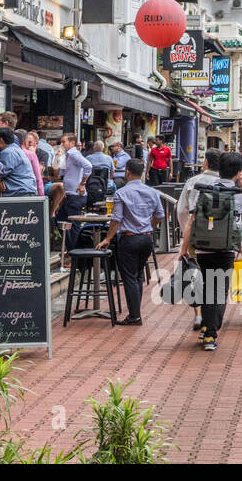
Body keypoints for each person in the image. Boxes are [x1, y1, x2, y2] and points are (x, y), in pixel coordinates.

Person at [178, 151, 242, 351]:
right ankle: (211, 333)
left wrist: (184, 247)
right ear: (239, 172)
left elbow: (191, 222)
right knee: (220, 292)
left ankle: (207, 326)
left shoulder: (204, 190)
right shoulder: (239, 195)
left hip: (203, 248)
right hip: (226, 249)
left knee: (206, 289)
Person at [98, 158, 163, 326]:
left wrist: (108, 238)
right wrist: (150, 227)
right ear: (142, 173)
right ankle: (136, 312)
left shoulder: (121, 193)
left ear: (127, 171)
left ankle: (135, 315)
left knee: (129, 277)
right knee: (139, 274)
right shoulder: (152, 192)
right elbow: (160, 215)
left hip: (129, 238)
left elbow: (116, 219)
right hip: (146, 238)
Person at [178, 148, 221, 332]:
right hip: (220, 240)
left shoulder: (192, 182)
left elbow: (181, 211)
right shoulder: (225, 183)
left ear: (205, 163)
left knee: (196, 275)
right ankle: (212, 317)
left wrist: (186, 234)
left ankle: (198, 315)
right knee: (216, 278)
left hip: (196, 236)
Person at [52, 133, 93, 248]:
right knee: (60, 219)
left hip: (76, 195)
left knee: (73, 224)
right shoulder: (67, 155)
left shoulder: (73, 154)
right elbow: (57, 174)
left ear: (72, 143)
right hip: (69, 194)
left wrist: (82, 183)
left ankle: (73, 252)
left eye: (64, 142)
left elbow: (88, 166)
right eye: (61, 142)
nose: (62, 144)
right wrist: (56, 157)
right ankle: (72, 249)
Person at [0, 127, 38, 195]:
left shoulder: (8, 152)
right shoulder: (15, 148)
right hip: (26, 191)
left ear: (1, 140)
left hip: (20, 193)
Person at [15, 129, 46, 196]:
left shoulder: (7, 152)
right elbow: (38, 177)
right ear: (25, 141)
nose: (29, 145)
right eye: (28, 142)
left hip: (9, 192)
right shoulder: (30, 154)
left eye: (30, 142)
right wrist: (41, 196)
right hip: (27, 190)